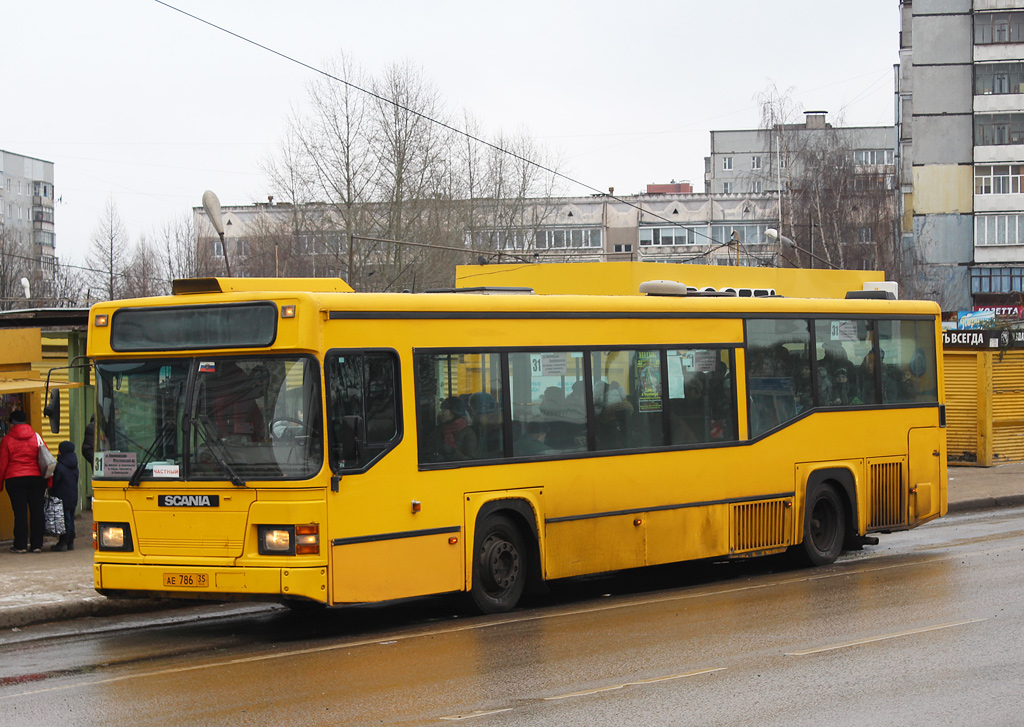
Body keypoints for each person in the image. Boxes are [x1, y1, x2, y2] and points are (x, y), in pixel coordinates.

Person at [0, 410, 48, 553]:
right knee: (37, 511)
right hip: (36, 478)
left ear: (12, 422)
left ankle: (20, 545)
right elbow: (46, 459)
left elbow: (2, 463)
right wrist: (49, 481)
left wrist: (0, 483)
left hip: (15, 479)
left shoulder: (7, 440)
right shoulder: (37, 437)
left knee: (20, 513)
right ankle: (37, 545)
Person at [49, 441, 79, 551]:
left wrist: (52, 492)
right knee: (70, 518)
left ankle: (63, 542)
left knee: (65, 520)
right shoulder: (74, 465)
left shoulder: (60, 466)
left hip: (62, 497)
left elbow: (56, 482)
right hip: (73, 496)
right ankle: (70, 542)